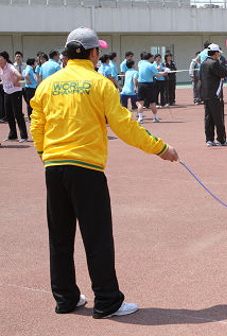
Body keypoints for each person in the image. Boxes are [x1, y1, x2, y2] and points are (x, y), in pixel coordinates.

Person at [30, 26, 179, 319]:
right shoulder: (99, 83)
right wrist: (160, 148)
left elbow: (37, 123)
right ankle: (107, 301)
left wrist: (44, 154)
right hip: (86, 168)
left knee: (60, 237)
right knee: (97, 236)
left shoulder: (48, 84)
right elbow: (124, 126)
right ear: (93, 53)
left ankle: (65, 298)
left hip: (54, 167)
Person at [199, 43, 227, 147]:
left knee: (208, 118)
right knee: (218, 118)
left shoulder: (203, 63)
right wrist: (220, 63)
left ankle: (209, 139)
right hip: (215, 95)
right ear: (215, 53)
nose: (219, 55)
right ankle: (221, 139)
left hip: (206, 94)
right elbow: (224, 73)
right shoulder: (214, 63)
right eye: (218, 53)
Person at [0, 51, 28, 142]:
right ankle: (13, 136)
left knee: (18, 114)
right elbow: (4, 79)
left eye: (0, 58)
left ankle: (24, 136)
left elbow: (20, 76)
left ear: (5, 59)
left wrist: (16, 83)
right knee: (9, 115)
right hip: (7, 93)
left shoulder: (10, 67)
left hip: (15, 93)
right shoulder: (0, 68)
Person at [137, 52, 168, 124]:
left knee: (141, 102)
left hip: (140, 84)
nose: (153, 59)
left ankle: (140, 118)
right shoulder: (151, 66)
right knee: (152, 102)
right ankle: (155, 117)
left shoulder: (140, 63)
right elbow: (157, 74)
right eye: (152, 57)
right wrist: (164, 73)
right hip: (149, 84)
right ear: (149, 58)